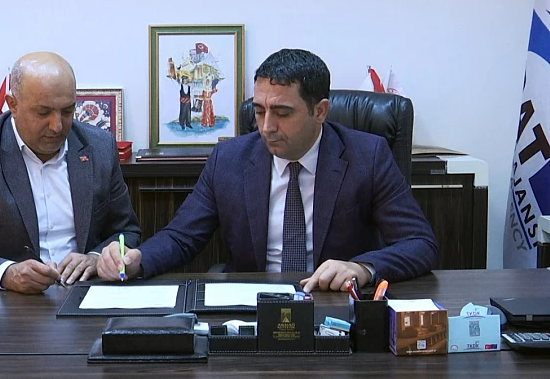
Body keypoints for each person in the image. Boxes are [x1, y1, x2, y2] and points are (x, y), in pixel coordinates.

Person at [97, 48, 437, 292]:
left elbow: (419, 243)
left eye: (283, 113)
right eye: (259, 111)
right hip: (252, 304)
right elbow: (181, 237)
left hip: (332, 303)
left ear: (320, 111)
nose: (266, 127)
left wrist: (362, 268)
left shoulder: (367, 156)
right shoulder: (229, 159)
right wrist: (138, 259)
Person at [0, 51, 140, 294]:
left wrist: (97, 258)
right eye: (43, 113)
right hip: (8, 303)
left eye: (67, 111)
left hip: (84, 293)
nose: (57, 126)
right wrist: (7, 273)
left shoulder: (99, 147)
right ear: (13, 105)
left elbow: (126, 231)